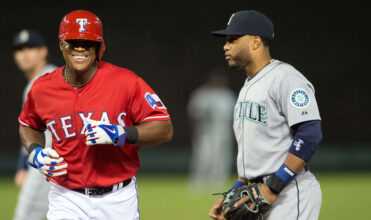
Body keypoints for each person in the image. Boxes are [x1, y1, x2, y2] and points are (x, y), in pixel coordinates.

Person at [18, 10, 173, 220]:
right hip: (66, 196)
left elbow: (164, 128)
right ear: (61, 44)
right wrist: (35, 151)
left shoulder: (125, 82)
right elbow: (28, 124)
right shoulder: (42, 88)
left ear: (100, 47)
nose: (80, 47)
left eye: (88, 42)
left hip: (118, 198)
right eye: (73, 41)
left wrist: (120, 132)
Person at [209, 10, 323, 220]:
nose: (226, 46)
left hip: (288, 193)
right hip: (258, 192)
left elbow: (309, 134)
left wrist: (273, 188)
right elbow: (253, 158)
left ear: (255, 42)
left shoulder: (286, 78)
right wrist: (232, 194)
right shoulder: (247, 86)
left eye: (233, 39)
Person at [12, 29, 57, 220]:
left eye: (31, 47)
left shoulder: (46, 81)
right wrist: (22, 166)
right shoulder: (45, 79)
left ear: (43, 51)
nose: (25, 53)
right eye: (20, 49)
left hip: (47, 161)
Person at [187, 70, 236, 191]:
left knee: (222, 157)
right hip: (205, 130)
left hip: (223, 130)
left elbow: (234, 116)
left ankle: (219, 180)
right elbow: (194, 114)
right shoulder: (202, 94)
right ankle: (198, 181)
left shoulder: (228, 95)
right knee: (203, 156)